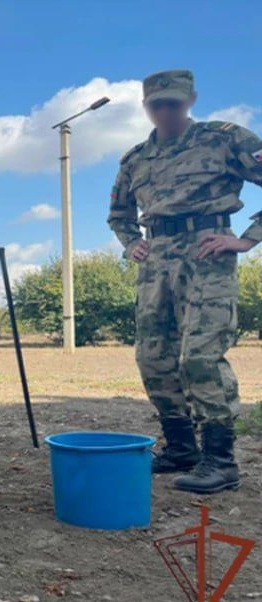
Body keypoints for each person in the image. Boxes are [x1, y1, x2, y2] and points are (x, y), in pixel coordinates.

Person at [108, 69, 262, 494]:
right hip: (156, 258)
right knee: (153, 357)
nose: (165, 111)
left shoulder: (225, 138)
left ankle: (221, 461)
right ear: (146, 107)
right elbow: (118, 215)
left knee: (200, 355)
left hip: (207, 252)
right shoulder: (135, 158)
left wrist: (246, 239)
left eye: (173, 103)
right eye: (157, 104)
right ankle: (181, 449)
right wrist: (130, 244)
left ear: (190, 100)